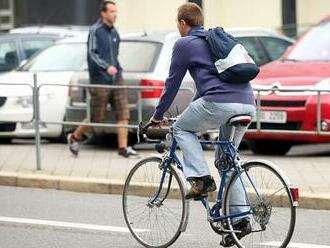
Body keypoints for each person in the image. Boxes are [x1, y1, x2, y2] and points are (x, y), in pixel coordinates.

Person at [150, 3, 256, 246]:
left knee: (181, 128)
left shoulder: (184, 44)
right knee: (226, 162)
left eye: (177, 24)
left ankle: (200, 179)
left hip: (219, 103)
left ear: (182, 23)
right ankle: (240, 221)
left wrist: (157, 116)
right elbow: (203, 91)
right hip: (248, 104)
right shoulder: (215, 40)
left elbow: (172, 85)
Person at [67, 0, 137, 158]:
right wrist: (106, 67)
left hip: (117, 79)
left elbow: (115, 55)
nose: (115, 14)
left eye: (116, 11)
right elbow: (92, 54)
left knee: (123, 114)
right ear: (103, 13)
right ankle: (75, 137)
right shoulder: (95, 30)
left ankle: (123, 148)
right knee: (96, 117)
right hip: (100, 81)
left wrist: (117, 69)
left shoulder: (115, 33)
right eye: (112, 11)